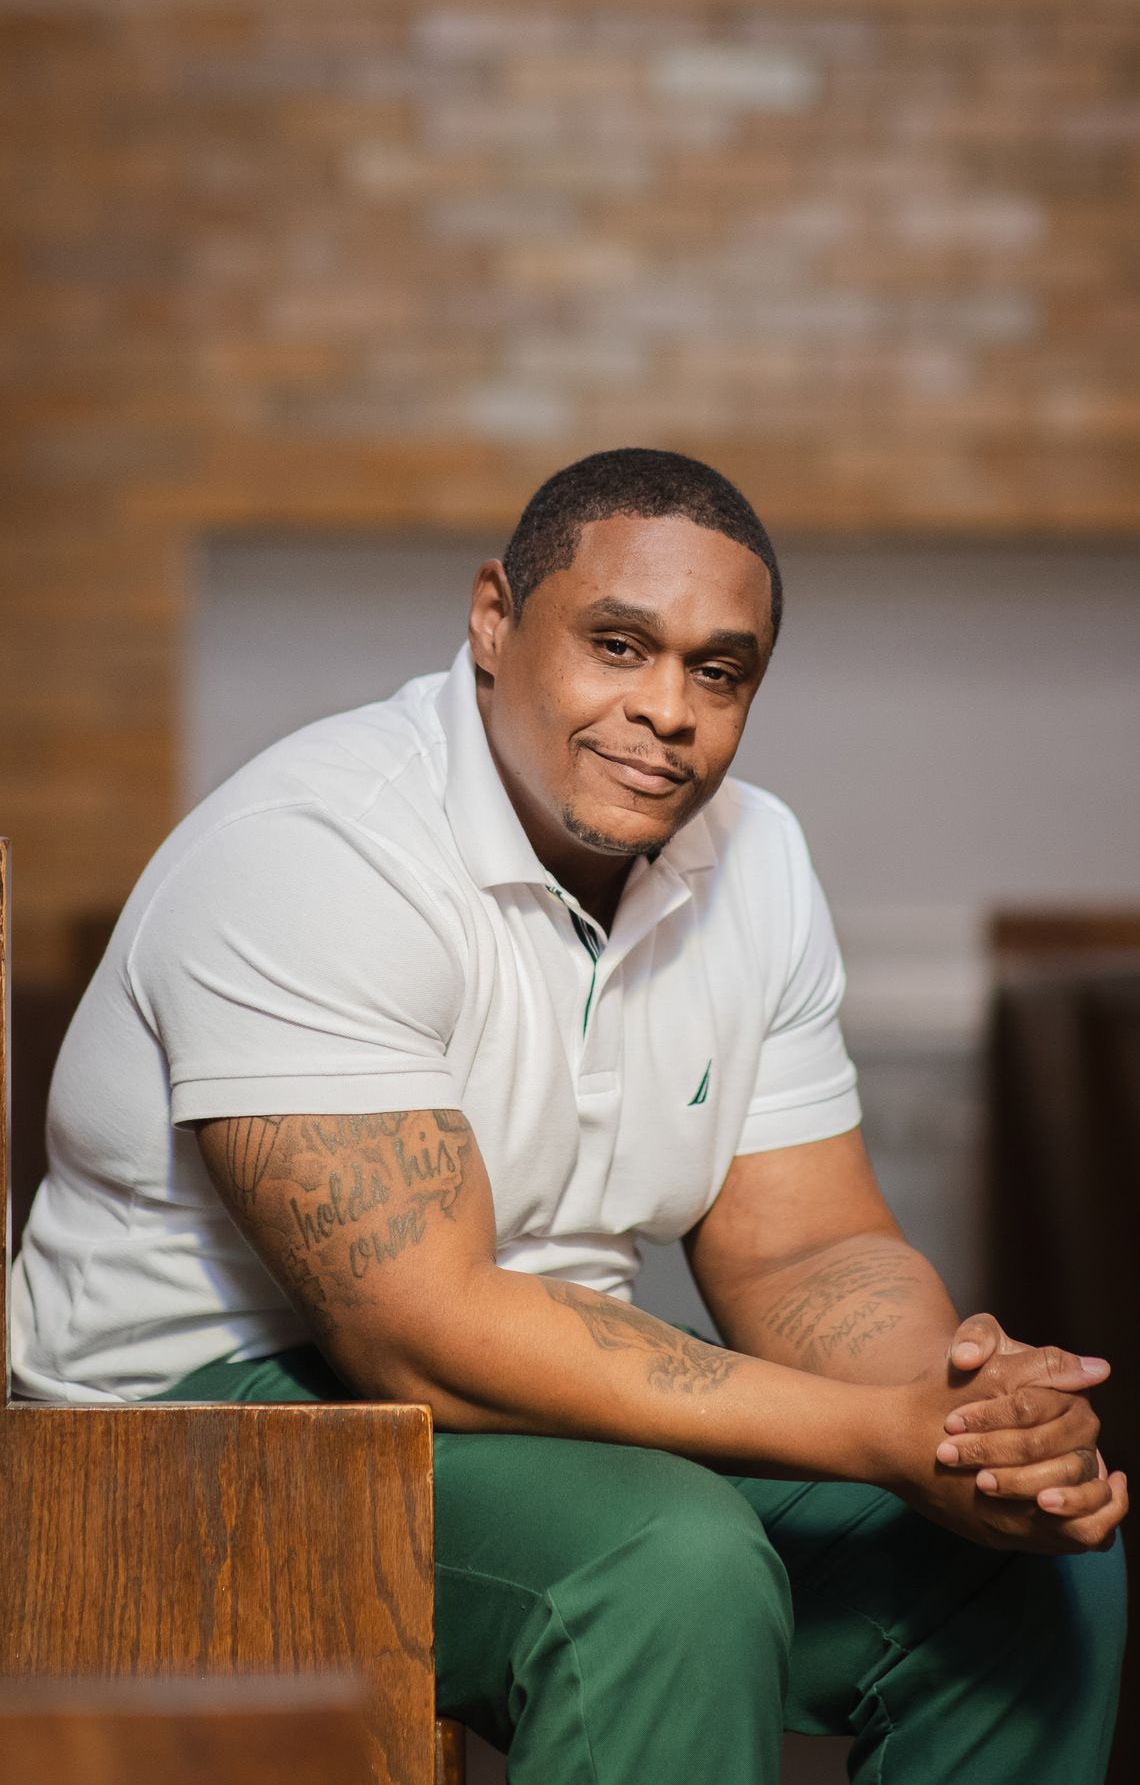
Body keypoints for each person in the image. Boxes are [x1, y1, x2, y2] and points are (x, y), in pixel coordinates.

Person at [13, 448, 1127, 1784]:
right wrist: (871, 1439)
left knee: (1030, 1572)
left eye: (719, 671)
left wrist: (961, 1422)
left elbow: (805, 1250)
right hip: (169, 1436)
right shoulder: (321, 844)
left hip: (538, 1382)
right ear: (494, 617)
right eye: (617, 643)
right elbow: (422, 1333)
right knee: (666, 1566)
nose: (667, 708)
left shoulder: (753, 860)